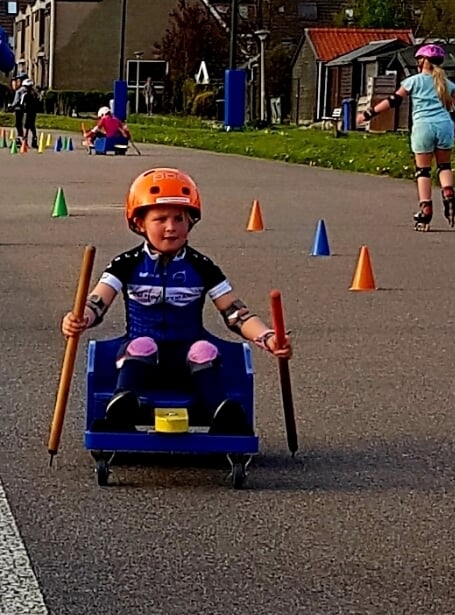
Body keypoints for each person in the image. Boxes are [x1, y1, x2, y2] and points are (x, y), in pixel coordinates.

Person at [61, 168, 291, 431]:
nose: (171, 227)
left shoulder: (201, 266)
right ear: (139, 224)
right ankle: (123, 407)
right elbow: (96, 302)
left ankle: (221, 415)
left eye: (179, 219)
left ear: (190, 222)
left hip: (188, 363)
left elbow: (236, 314)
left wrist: (268, 337)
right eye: (160, 219)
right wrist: (79, 319)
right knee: (142, 344)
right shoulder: (126, 263)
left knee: (204, 349)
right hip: (140, 361)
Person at [358, 43, 455, 230]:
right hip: (445, 126)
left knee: (423, 171)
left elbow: (394, 101)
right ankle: (448, 194)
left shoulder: (413, 81)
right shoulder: (446, 83)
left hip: (423, 127)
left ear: (422, 61)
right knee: (444, 166)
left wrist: (368, 114)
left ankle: (426, 209)